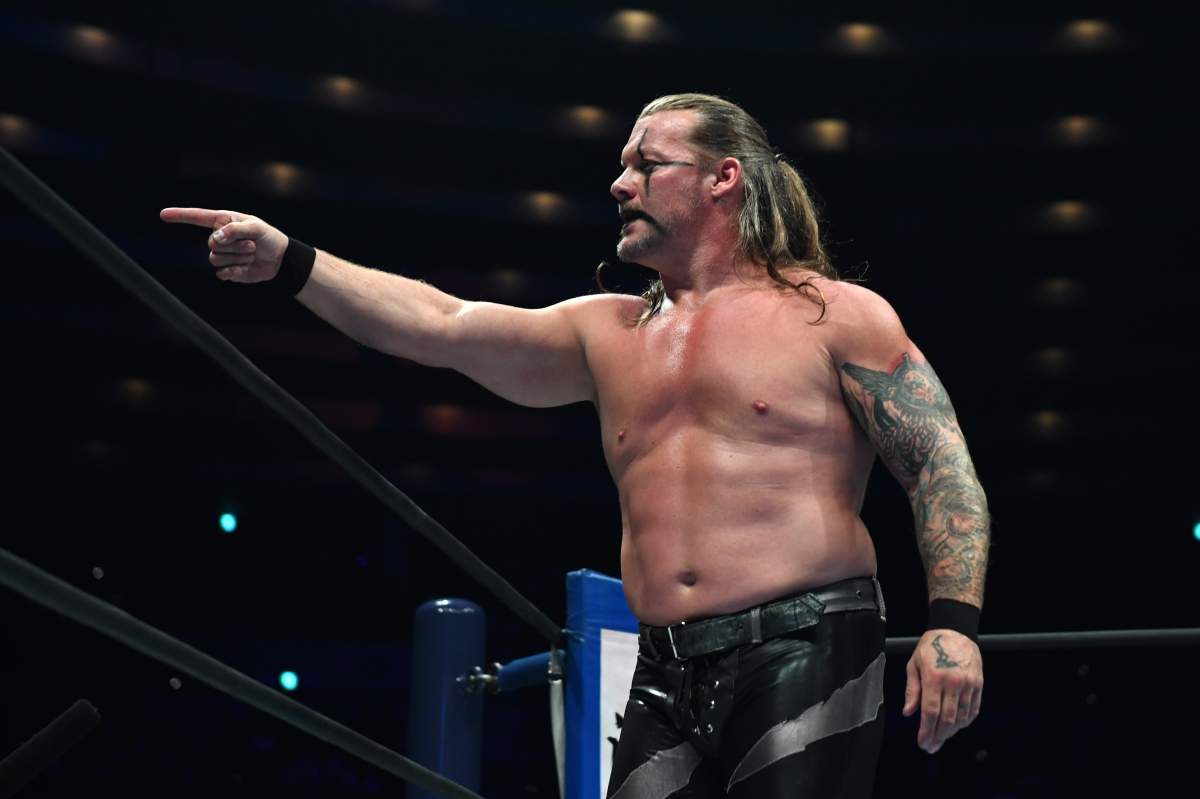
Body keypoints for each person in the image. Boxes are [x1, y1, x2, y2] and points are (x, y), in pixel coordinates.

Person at [161, 93, 989, 798]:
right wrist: (293, 260)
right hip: (663, 668)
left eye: (645, 163)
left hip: (807, 646)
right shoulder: (607, 333)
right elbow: (442, 322)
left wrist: (951, 626)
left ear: (721, 179)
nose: (618, 182)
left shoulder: (833, 313)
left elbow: (939, 462)